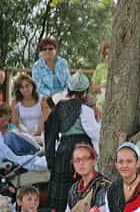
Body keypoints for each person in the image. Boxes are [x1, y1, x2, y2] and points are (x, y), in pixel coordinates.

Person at [45, 71, 100, 212]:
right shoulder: (86, 110)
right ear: (85, 92)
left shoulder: (59, 107)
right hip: (83, 151)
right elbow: (95, 134)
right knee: (81, 193)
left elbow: (50, 134)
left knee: (61, 197)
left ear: (69, 90)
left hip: (63, 152)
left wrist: (50, 159)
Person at [105, 142, 140, 212]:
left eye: (129, 161)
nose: (124, 165)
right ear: (116, 165)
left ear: (137, 163)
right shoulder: (112, 190)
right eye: (120, 162)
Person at [0, 103, 47, 172]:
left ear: (9, 116)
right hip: (15, 157)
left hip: (26, 153)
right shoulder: (8, 136)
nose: (3, 120)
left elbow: (30, 139)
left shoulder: (14, 131)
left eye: (5, 118)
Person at [65, 143, 111, 212]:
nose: (81, 163)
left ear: (94, 161)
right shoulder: (74, 188)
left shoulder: (104, 186)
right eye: (77, 160)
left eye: (85, 158)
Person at [11, 74, 42, 138]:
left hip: (41, 134)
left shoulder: (42, 100)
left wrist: (35, 135)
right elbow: (14, 123)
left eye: (27, 86)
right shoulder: (15, 102)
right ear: (18, 89)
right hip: (24, 135)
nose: (25, 89)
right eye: (21, 87)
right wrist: (24, 135)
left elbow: (44, 122)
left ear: (32, 85)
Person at [91, 41, 110, 111]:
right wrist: (102, 86)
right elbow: (93, 88)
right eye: (106, 54)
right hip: (100, 105)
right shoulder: (100, 67)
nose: (107, 57)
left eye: (109, 54)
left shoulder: (119, 69)